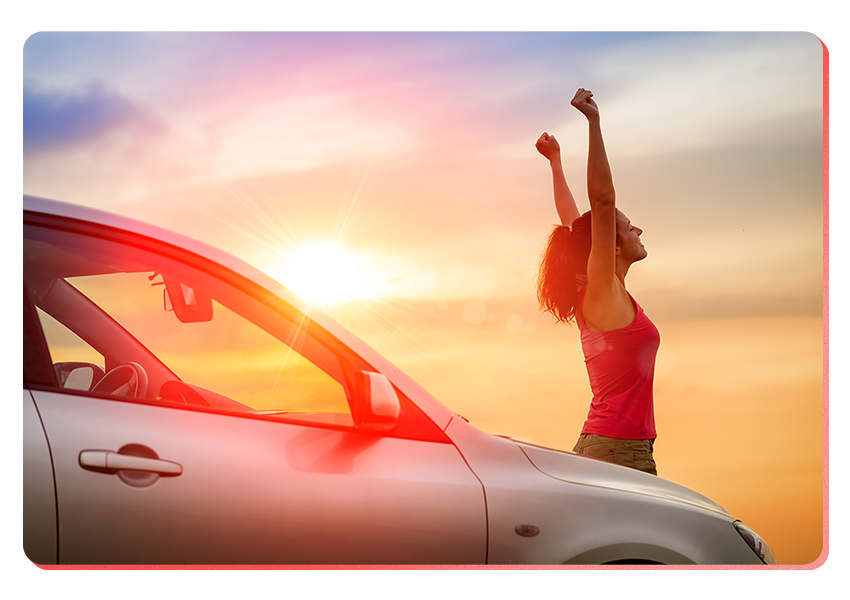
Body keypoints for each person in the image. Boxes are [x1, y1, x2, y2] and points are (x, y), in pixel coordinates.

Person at [536, 88, 660, 476]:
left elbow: (575, 228)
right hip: (618, 452)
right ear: (611, 246)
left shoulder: (606, 293)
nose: (637, 228)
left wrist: (556, 163)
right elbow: (602, 204)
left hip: (614, 447)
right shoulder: (601, 291)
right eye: (626, 227)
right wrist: (594, 122)